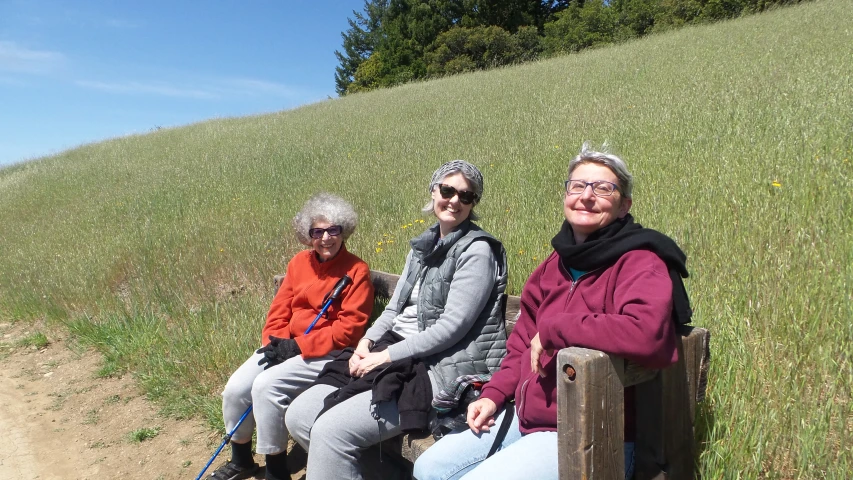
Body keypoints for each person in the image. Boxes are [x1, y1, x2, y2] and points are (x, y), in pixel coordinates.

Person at [413, 143, 692, 480]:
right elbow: (519, 346)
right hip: (526, 416)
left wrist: (556, 327)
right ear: (566, 196)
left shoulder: (640, 261)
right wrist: (494, 394)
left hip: (593, 435)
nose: (586, 196)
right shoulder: (554, 265)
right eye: (577, 185)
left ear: (623, 207)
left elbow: (647, 334)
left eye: (603, 188)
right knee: (429, 468)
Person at [284, 160, 509, 480]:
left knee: (330, 432)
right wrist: (366, 342)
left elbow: (451, 329)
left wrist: (383, 357)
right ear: (433, 192)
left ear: (473, 204)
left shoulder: (477, 251)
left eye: (466, 195)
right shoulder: (424, 245)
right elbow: (393, 309)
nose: (454, 200)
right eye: (447, 190)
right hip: (393, 349)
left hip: (441, 365)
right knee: (299, 415)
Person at [211, 193, 374, 480]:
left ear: (343, 231)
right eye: (318, 232)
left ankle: (276, 469)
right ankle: (241, 460)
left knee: (265, 387)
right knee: (236, 388)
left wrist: (298, 346)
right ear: (307, 235)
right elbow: (279, 311)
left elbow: (349, 330)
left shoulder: (356, 271)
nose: (326, 238)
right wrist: (274, 345)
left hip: (327, 352)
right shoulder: (298, 263)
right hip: (285, 346)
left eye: (333, 230)